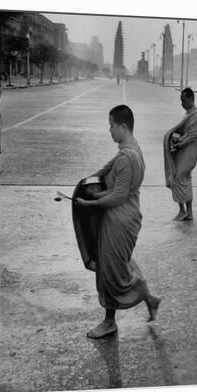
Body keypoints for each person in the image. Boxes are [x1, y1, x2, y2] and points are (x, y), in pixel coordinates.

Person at [75, 105, 160, 339]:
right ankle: (147, 301)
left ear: (123, 126)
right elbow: (105, 171)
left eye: (112, 125)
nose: (109, 130)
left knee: (112, 273)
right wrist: (86, 184)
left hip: (120, 219)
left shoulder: (127, 157)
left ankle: (114, 318)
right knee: (110, 266)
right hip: (123, 216)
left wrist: (89, 203)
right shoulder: (130, 149)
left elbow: (118, 196)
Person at [163, 87, 197, 221]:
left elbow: (192, 136)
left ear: (191, 99)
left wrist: (179, 142)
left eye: (184, 100)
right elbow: (184, 133)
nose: (182, 103)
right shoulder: (188, 114)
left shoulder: (196, 116)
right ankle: (185, 211)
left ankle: (186, 212)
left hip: (189, 152)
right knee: (176, 176)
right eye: (181, 100)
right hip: (182, 150)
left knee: (181, 177)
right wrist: (174, 138)